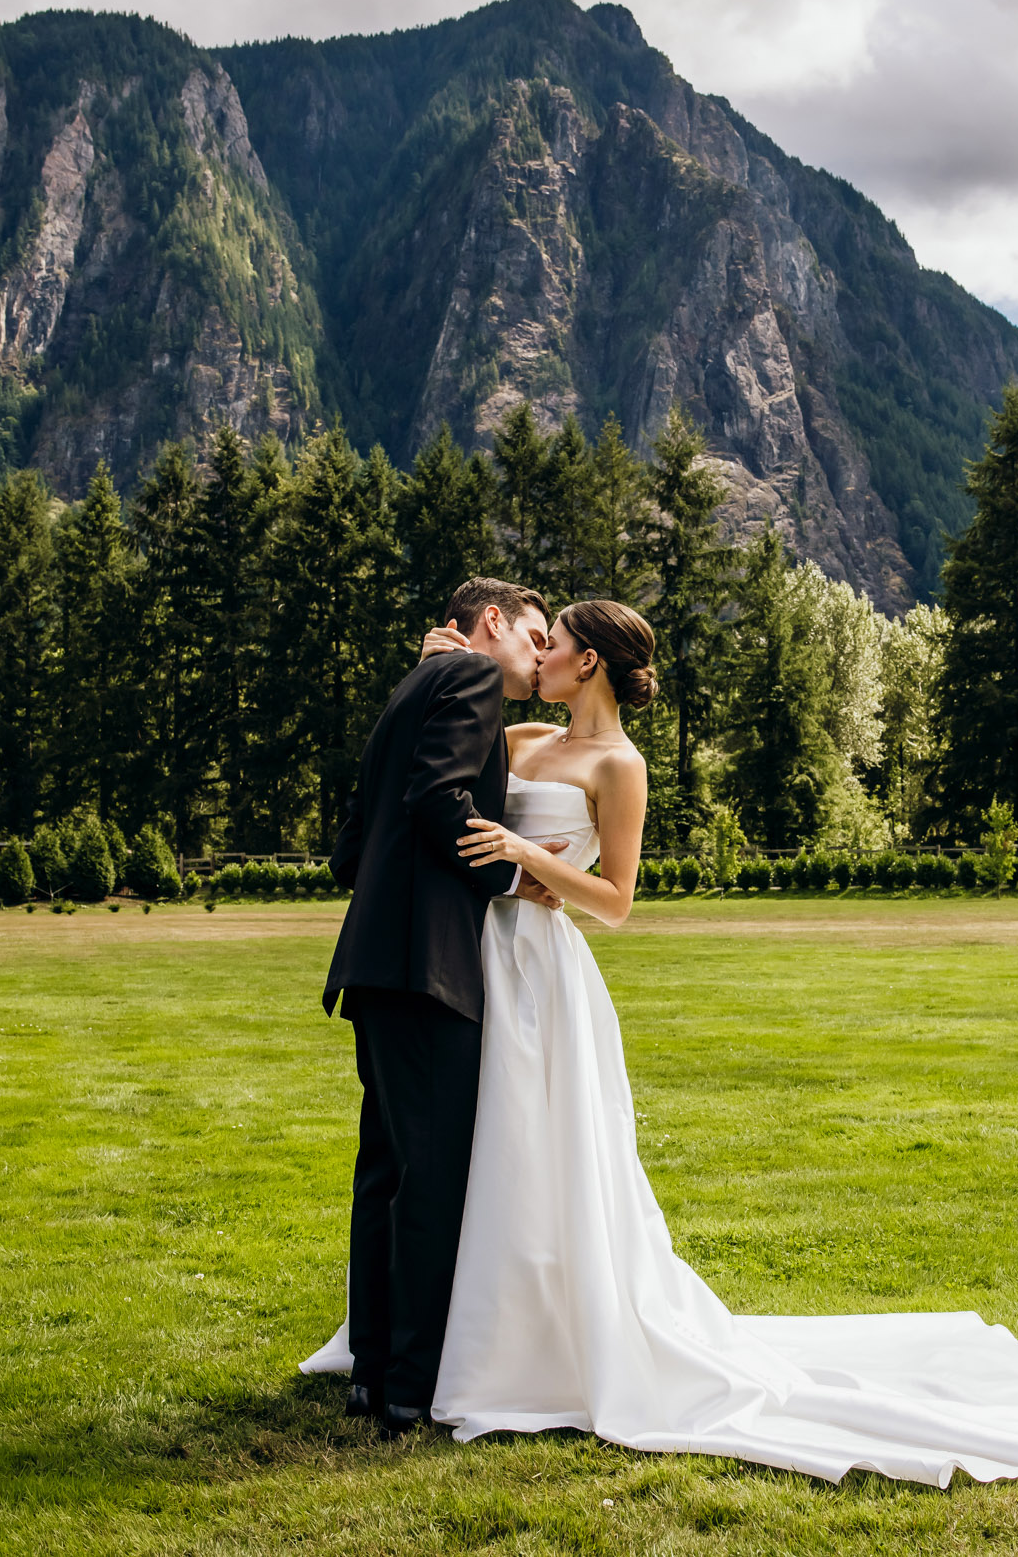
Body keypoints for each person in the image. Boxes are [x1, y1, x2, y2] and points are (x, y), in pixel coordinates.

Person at [308, 599, 1018, 1486]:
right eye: (535, 640)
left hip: (540, 970)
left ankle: (506, 1343)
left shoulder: (620, 766)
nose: (540, 654)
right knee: (451, 1158)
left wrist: (537, 863)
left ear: (589, 663)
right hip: (471, 953)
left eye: (556, 645)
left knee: (524, 1156)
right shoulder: (518, 738)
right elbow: (439, 771)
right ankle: (426, 1348)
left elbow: (617, 900)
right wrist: (443, 660)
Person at [320, 576, 561, 1435]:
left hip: (375, 965)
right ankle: (412, 1386)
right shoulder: (468, 681)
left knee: (383, 1170)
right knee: (430, 1180)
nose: (539, 657)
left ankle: (372, 1370)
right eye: (535, 637)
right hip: (430, 967)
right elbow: (439, 799)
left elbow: (353, 849)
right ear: (489, 622)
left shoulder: (410, 690)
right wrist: (514, 876)